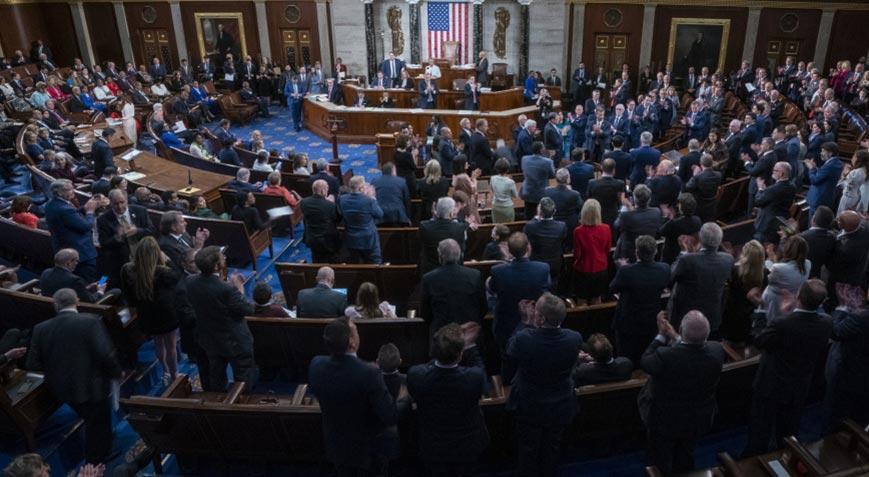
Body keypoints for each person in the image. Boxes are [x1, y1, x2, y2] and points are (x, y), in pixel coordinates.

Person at [27, 288, 123, 465]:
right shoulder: (90, 322)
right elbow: (105, 354)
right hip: (93, 386)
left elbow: (33, 364)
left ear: (55, 305)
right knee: (98, 422)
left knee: (90, 417)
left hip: (62, 388)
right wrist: (116, 373)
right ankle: (98, 459)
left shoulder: (40, 329)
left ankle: (97, 451)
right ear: (77, 301)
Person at [743, 279, 833, 457]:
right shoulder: (827, 322)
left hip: (770, 385)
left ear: (798, 296)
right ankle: (785, 461)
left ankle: (750, 463)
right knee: (787, 433)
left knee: (760, 431)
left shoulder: (782, 324)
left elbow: (759, 339)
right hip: (798, 386)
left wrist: (761, 310)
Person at [503, 293, 583, 477]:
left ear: (540, 317)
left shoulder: (525, 337)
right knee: (552, 446)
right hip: (561, 402)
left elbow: (510, 350)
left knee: (528, 448)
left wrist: (525, 321)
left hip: (530, 403)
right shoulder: (574, 338)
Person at [640, 310, 725, 476]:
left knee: (660, 459)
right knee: (686, 453)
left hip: (664, 420)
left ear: (681, 329)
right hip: (698, 417)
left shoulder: (666, 356)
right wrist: (675, 336)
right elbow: (691, 348)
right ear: (707, 334)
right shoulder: (717, 351)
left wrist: (662, 336)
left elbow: (645, 361)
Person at [308, 318, 397, 476]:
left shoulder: (316, 364)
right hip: (367, 452)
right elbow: (390, 416)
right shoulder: (370, 373)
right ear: (351, 342)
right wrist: (404, 398)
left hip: (335, 446)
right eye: (356, 329)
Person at [407, 323, 489, 476]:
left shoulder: (416, 375)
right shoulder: (474, 377)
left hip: (433, 447)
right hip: (467, 446)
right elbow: (482, 378)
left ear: (434, 351)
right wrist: (470, 346)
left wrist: (444, 352)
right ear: (460, 354)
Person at [184, 246, 257, 392]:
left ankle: (217, 404)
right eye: (222, 258)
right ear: (217, 266)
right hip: (234, 341)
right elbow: (247, 309)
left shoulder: (190, 281)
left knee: (216, 376)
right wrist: (239, 288)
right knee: (243, 377)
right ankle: (244, 403)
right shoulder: (227, 290)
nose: (225, 259)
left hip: (210, 338)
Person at [120, 237, 181, 384]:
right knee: (171, 346)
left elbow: (129, 298)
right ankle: (174, 375)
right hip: (167, 314)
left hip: (146, 314)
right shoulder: (164, 271)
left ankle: (165, 371)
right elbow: (178, 276)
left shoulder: (128, 270)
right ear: (157, 253)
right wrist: (168, 260)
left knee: (158, 343)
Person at [610, 235, 670, 365]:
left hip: (627, 322)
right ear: (655, 251)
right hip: (651, 320)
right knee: (648, 354)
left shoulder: (626, 271)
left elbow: (612, 289)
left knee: (626, 359)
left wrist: (622, 267)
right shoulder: (664, 269)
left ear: (636, 252)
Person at [489, 232, 551, 356]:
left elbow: (492, 289)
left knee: (507, 355)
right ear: (528, 248)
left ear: (509, 251)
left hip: (506, 322)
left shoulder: (498, 271)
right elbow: (546, 289)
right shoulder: (542, 268)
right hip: (533, 322)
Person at [669, 222, 734, 338]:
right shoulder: (728, 259)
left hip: (687, 319)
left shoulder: (687, 259)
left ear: (701, 239)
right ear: (719, 240)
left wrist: (684, 252)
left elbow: (670, 277)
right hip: (713, 316)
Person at [823, 284, 869, 429]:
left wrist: (841, 309)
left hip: (849, 375)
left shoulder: (860, 318)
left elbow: (835, 331)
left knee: (836, 416)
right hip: (863, 377)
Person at [421, 238, 488, 335]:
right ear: (460, 255)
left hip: (442, 334)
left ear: (440, 257)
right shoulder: (475, 275)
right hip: (469, 333)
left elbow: (425, 312)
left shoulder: (429, 278)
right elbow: (483, 307)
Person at [96, 189, 154, 288]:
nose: (119, 206)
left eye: (122, 202)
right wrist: (118, 237)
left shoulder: (140, 210)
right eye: (115, 204)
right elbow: (104, 244)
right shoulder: (103, 219)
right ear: (110, 202)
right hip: (121, 262)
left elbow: (152, 231)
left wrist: (138, 231)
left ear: (127, 200)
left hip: (143, 257)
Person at [45, 179, 100, 281]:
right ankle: (98, 293)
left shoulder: (51, 203)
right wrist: (90, 212)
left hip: (65, 248)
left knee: (79, 277)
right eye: (69, 189)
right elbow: (86, 226)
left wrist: (84, 208)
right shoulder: (64, 208)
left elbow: (71, 216)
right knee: (91, 278)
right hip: (82, 253)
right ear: (59, 192)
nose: (73, 191)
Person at [761, 235, 811, 323]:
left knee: (774, 325)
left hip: (775, 302)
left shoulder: (778, 268)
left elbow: (768, 279)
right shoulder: (808, 264)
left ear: (788, 249)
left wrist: (769, 259)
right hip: (793, 301)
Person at [573, 199, 612, 305]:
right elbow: (607, 249)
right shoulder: (606, 228)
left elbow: (577, 254)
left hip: (583, 269)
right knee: (597, 298)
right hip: (601, 267)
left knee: (582, 299)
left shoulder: (578, 231)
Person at [338, 176, 384, 264]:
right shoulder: (369, 201)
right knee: (375, 262)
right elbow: (380, 214)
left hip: (351, 238)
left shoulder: (342, 199)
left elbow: (340, 214)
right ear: (361, 188)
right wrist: (374, 199)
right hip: (368, 239)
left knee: (355, 264)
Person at [419, 197, 468, 275]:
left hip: (430, 271)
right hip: (454, 272)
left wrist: (434, 217)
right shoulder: (460, 228)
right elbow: (462, 249)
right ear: (451, 213)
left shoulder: (425, 227)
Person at [524, 198, 566, 288]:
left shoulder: (530, 226)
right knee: (553, 286)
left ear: (540, 211)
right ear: (554, 211)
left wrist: (536, 217)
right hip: (555, 264)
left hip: (537, 264)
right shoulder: (561, 226)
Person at [39, 249, 107, 303]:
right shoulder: (74, 280)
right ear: (68, 263)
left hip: (48, 306)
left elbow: (66, 289)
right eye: (76, 261)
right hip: (76, 310)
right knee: (116, 291)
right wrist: (100, 291)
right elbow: (91, 300)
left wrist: (86, 288)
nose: (77, 263)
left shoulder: (46, 272)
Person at [614, 185, 662, 260]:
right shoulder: (656, 212)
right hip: (649, 251)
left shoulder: (626, 215)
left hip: (630, 255)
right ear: (649, 199)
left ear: (634, 199)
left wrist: (626, 210)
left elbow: (616, 226)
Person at [753, 161, 796, 243]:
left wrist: (760, 189)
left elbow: (758, 202)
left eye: (775, 170)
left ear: (781, 173)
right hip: (781, 222)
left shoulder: (773, 189)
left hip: (767, 225)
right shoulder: (792, 187)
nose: (772, 172)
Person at [300, 179, 341, 264]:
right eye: (327, 189)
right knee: (330, 259)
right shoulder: (330, 205)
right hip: (327, 240)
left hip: (312, 238)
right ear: (323, 191)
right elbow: (337, 219)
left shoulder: (304, 202)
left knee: (316, 258)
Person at [157, 211, 209, 275]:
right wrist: (198, 248)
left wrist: (200, 240)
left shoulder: (184, 234)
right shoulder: (166, 245)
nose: (186, 223)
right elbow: (185, 267)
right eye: (182, 222)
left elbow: (193, 248)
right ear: (173, 227)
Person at [658, 193, 702, 264]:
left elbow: (660, 233)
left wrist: (666, 219)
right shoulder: (698, 220)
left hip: (672, 255)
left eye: (679, 204)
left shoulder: (673, 223)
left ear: (681, 207)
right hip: (690, 253)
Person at [805, 142, 844, 218]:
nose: (821, 153)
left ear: (830, 153)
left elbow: (815, 180)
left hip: (819, 199)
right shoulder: (837, 163)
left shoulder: (831, 165)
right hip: (826, 197)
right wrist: (815, 168)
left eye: (823, 151)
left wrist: (811, 169)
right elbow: (825, 175)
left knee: (814, 222)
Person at [520, 142, 556, 220]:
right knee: (541, 215)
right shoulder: (548, 162)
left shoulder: (524, 159)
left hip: (527, 191)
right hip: (540, 193)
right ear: (541, 150)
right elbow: (552, 175)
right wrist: (550, 158)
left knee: (528, 214)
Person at [587, 158, 625, 229]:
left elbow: (589, 199)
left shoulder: (592, 183)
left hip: (596, 216)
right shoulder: (620, 184)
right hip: (612, 217)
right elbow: (621, 201)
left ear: (602, 168)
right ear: (614, 170)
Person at [684, 154, 723, 223]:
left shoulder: (697, 178)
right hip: (712, 203)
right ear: (712, 163)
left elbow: (687, 187)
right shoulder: (719, 175)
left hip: (699, 205)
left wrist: (695, 175)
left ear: (701, 164)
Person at [372, 162, 410, 226]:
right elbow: (406, 200)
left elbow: (371, 199)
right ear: (393, 171)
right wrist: (408, 217)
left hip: (380, 216)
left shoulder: (374, 181)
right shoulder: (401, 181)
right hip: (398, 216)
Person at [837, 149, 869, 214]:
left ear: (859, 159)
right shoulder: (864, 170)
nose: (852, 158)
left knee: (842, 215)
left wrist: (844, 174)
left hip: (848, 197)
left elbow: (848, 185)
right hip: (856, 197)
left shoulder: (856, 172)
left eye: (854, 156)